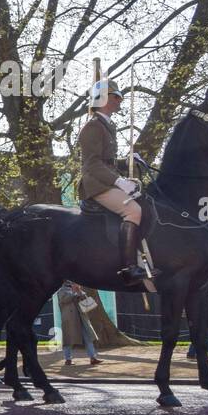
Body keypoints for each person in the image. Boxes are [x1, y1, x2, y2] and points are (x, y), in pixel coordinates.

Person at [78, 78, 148, 284]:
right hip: (96, 184)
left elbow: (107, 161)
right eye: (116, 96)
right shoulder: (92, 127)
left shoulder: (108, 126)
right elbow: (92, 164)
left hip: (107, 179)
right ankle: (129, 268)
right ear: (103, 99)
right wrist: (119, 182)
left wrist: (127, 163)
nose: (120, 100)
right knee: (133, 211)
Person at [58, 281, 102, 365]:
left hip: (82, 317)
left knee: (88, 337)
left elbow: (86, 301)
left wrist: (79, 291)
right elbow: (64, 300)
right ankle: (68, 359)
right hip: (70, 318)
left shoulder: (77, 289)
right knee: (68, 339)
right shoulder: (62, 290)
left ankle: (93, 358)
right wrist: (74, 292)